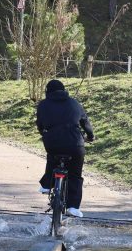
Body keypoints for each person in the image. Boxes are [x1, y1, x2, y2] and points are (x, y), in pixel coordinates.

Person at [36, 79, 94, 218]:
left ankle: (46, 185)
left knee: (52, 158)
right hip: (75, 144)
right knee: (75, 174)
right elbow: (85, 122)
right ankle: (73, 207)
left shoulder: (43, 105)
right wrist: (90, 136)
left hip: (53, 143)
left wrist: (44, 133)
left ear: (47, 92)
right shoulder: (74, 103)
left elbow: (40, 124)